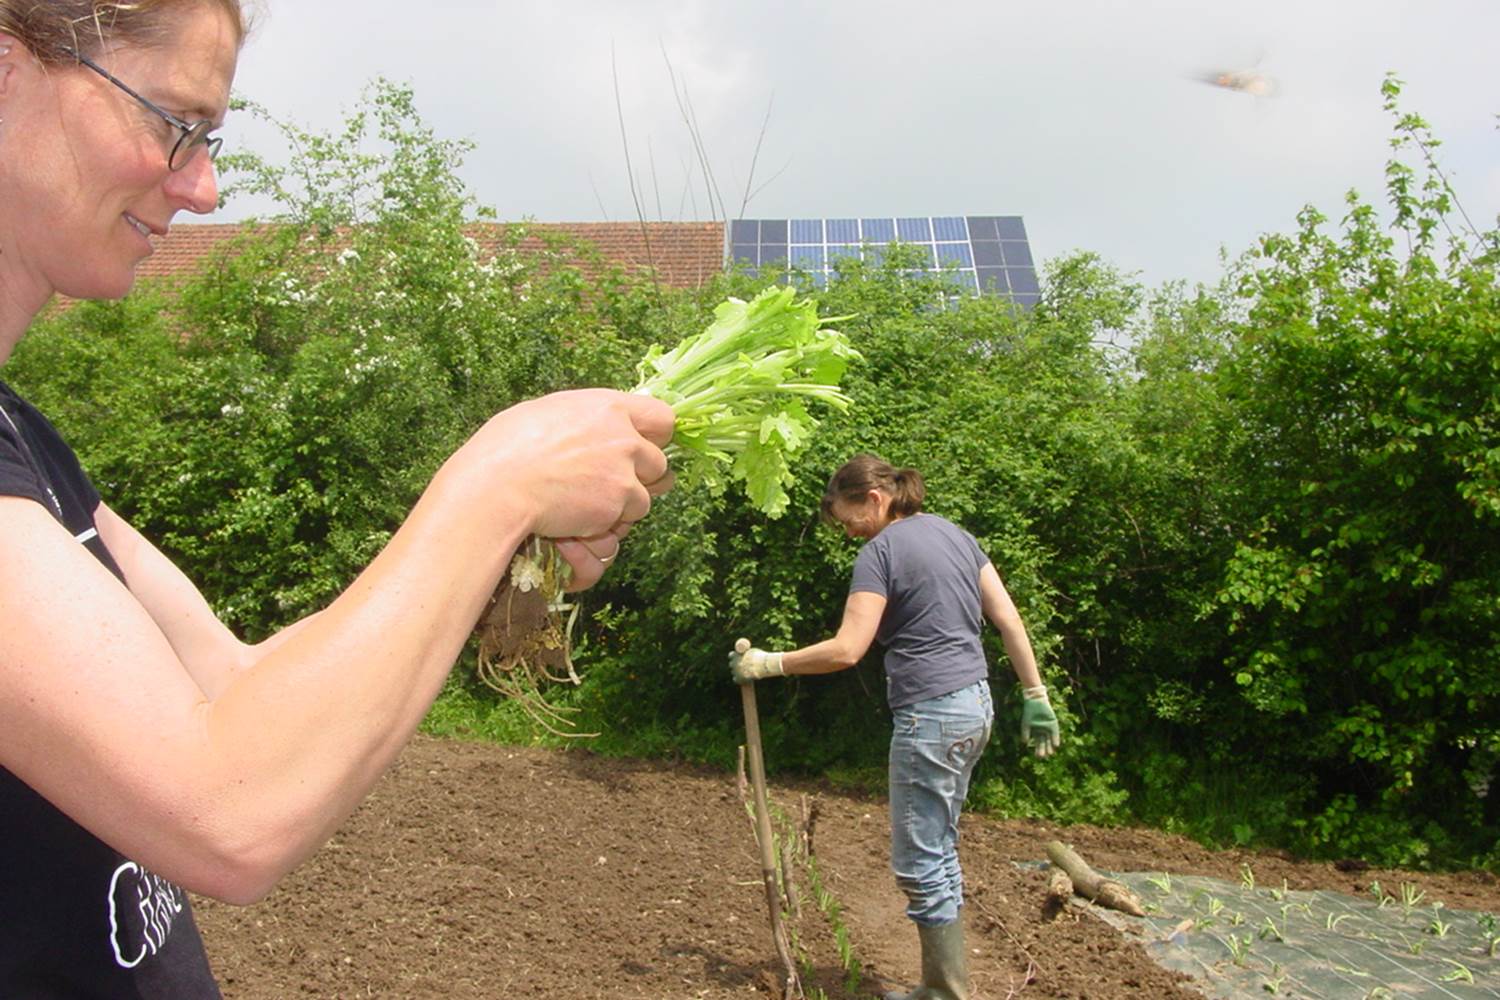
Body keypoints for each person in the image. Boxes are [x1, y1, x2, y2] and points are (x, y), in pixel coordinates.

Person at [0, 3, 675, 995]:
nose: (203, 183)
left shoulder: (28, 445)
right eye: (172, 123)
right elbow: (227, 808)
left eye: (210, 139)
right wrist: (495, 481)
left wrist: (490, 561)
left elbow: (237, 691)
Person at [730, 454, 1060, 1000]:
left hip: (931, 714)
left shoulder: (879, 552)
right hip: (975, 706)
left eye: (846, 517)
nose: (846, 531)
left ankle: (944, 993)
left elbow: (847, 649)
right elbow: (1007, 618)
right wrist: (1035, 693)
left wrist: (770, 663)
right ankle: (943, 985)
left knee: (920, 860)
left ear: (874, 500)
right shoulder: (957, 535)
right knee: (940, 846)